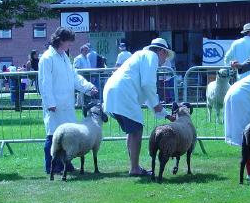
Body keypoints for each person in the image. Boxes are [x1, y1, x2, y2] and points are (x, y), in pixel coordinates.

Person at [103, 37, 174, 176]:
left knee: (133, 131)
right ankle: (134, 168)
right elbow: (148, 84)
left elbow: (146, 93)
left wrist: (165, 114)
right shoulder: (151, 56)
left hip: (113, 92)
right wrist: (157, 104)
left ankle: (134, 167)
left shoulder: (141, 56)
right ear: (161, 51)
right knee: (136, 130)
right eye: (166, 55)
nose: (165, 60)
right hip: (123, 93)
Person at [38, 27, 98, 174]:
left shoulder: (64, 56)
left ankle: (66, 165)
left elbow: (74, 77)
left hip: (67, 103)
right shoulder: (47, 58)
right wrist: (50, 103)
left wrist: (88, 87)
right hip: (54, 105)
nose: (70, 46)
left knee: (69, 136)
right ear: (61, 40)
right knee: (53, 136)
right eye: (69, 43)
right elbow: (44, 83)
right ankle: (51, 167)